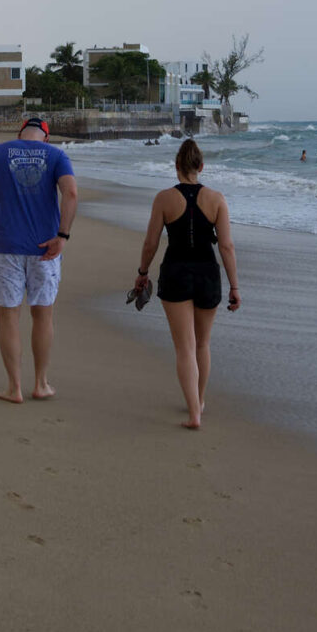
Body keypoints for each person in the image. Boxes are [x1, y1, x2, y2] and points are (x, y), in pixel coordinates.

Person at [0, 115, 78, 404]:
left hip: (5, 247)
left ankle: (14, 387)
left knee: (9, 316)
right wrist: (63, 236)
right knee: (42, 315)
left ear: (20, 134)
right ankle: (41, 384)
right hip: (45, 249)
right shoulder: (56, 154)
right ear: (45, 137)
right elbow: (70, 193)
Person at [134, 138, 240, 430]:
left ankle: (194, 413)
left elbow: (151, 242)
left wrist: (142, 271)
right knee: (202, 344)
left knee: (185, 348)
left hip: (176, 273)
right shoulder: (217, 199)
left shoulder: (164, 198)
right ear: (201, 167)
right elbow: (227, 247)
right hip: (208, 274)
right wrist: (234, 286)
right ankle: (200, 402)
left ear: (177, 166)